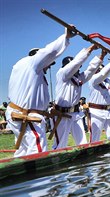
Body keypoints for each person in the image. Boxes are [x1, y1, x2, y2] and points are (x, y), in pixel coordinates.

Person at [5, 27, 75, 157]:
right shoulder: (32, 64)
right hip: (27, 117)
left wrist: (46, 111)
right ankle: (40, 178)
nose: (49, 66)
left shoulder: (26, 71)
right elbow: (49, 52)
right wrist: (66, 37)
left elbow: (31, 97)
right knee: (37, 154)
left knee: (23, 152)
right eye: (48, 63)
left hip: (20, 113)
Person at [51, 45, 104, 149]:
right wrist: (90, 49)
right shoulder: (62, 74)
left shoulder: (77, 78)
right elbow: (76, 63)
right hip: (62, 114)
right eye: (77, 67)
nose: (79, 69)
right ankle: (56, 162)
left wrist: (101, 56)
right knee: (60, 144)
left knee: (83, 143)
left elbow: (90, 71)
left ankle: (84, 162)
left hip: (76, 114)